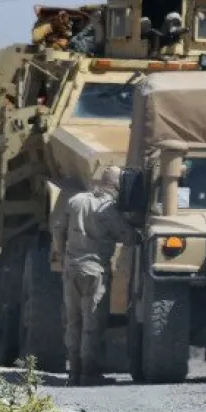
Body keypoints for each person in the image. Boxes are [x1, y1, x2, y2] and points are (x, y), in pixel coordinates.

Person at [51, 165, 137, 386]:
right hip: (95, 271)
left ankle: (74, 372)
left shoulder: (75, 200)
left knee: (73, 321)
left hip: (71, 268)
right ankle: (88, 373)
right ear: (116, 186)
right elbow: (128, 237)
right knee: (92, 322)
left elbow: (58, 228)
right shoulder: (108, 209)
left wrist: (62, 254)